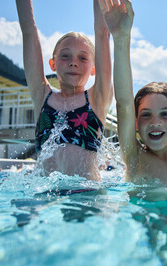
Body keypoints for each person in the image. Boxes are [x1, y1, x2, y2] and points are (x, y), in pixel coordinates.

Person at [99, 0, 167, 191]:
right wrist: (121, 38)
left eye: (165, 114)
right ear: (134, 122)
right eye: (146, 114)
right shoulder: (135, 157)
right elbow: (124, 102)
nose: (155, 122)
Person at [16, 0, 112, 180]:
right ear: (52, 64)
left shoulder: (97, 98)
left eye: (83, 58)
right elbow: (28, 31)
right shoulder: (42, 95)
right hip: (45, 193)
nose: (73, 62)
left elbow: (102, 34)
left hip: (87, 195)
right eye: (65, 56)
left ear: (94, 68)